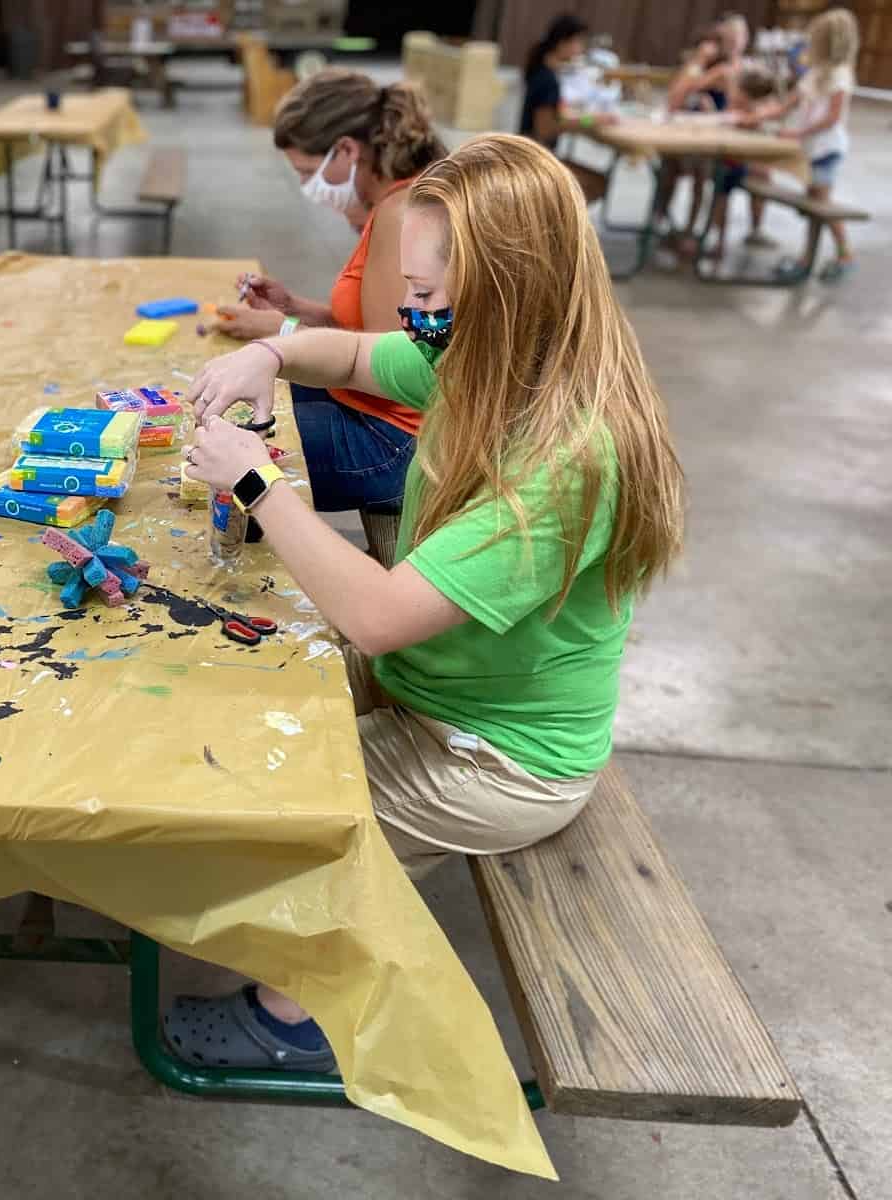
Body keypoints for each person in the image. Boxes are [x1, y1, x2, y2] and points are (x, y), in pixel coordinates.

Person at [166, 134, 685, 1070]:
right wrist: (274, 358)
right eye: (410, 292)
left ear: (506, 288)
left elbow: (378, 616)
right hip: (438, 687)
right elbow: (363, 355)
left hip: (505, 757)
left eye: (426, 297)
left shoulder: (564, 459)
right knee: (243, 698)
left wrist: (257, 484)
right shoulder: (483, 359)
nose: (412, 316)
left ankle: (305, 1018)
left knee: (293, 811)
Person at [216, 70, 446, 522]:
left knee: (218, 450)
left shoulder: (401, 214)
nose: (307, 186)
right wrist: (295, 308)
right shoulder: (392, 204)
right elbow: (370, 325)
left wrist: (282, 333)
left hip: (395, 441)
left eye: (307, 171)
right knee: (228, 408)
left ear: (346, 150)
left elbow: (390, 360)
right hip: (378, 415)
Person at [763, 8, 860, 281]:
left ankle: (843, 253)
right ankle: (808, 257)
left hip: (827, 149)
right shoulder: (814, 73)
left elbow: (832, 118)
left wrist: (797, 133)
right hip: (811, 147)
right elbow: (786, 105)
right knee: (813, 205)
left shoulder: (840, 75)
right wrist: (755, 116)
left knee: (821, 204)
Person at [652, 14, 754, 239]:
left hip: (719, 145)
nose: (731, 43)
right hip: (693, 138)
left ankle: (690, 233)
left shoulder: (729, 71)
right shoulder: (712, 67)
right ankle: (660, 223)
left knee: (700, 172)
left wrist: (698, 66)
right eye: (727, 38)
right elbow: (675, 98)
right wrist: (697, 61)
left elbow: (737, 112)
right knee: (669, 165)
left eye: (736, 37)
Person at [692, 65, 778, 263]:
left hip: (743, 166)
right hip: (738, 163)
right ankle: (717, 238)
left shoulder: (756, 112)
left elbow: (727, 123)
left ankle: (719, 242)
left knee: (722, 179)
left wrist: (713, 112)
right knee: (719, 175)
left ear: (745, 94)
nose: (733, 93)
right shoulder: (746, 110)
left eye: (736, 90)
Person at [519, 14, 589, 149]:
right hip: (536, 155)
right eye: (578, 42)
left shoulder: (540, 68)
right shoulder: (548, 80)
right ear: (562, 42)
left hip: (529, 150)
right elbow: (544, 129)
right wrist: (589, 121)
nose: (580, 49)